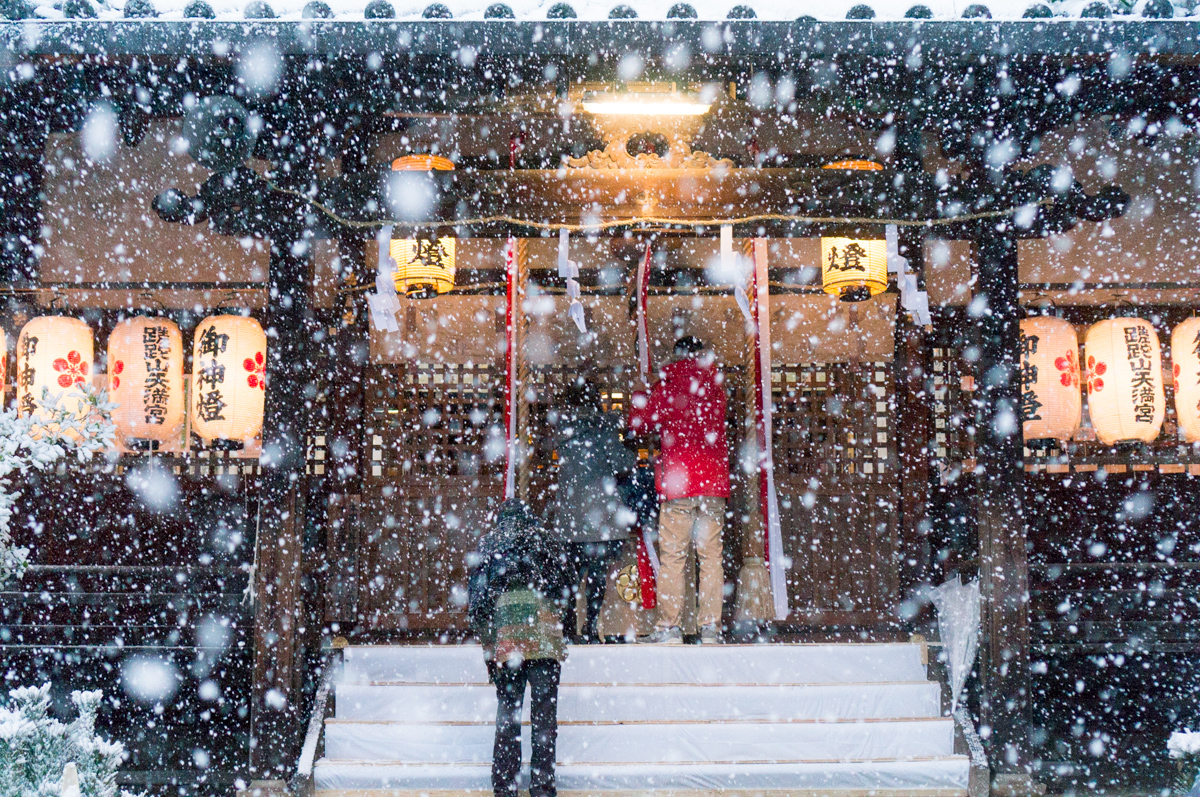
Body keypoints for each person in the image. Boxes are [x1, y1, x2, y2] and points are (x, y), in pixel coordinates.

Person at [628, 336, 730, 645]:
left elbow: (638, 424)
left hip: (679, 482)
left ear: (674, 356)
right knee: (711, 557)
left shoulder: (667, 387)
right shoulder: (715, 387)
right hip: (712, 482)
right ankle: (710, 628)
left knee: (674, 558)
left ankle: (669, 628)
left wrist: (639, 391)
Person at [468, 499, 571, 797]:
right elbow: (565, 589)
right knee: (544, 716)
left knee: (508, 712)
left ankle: (504, 785)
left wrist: (489, 646)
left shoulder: (488, 545)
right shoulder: (547, 542)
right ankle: (542, 785)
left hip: (506, 637)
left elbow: (478, 604)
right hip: (546, 635)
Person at [550, 379, 639, 643]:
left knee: (570, 578)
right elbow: (623, 462)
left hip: (570, 515)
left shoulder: (562, 429)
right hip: (600, 516)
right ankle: (590, 625)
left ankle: (567, 630)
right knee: (597, 577)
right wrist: (630, 444)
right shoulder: (603, 430)